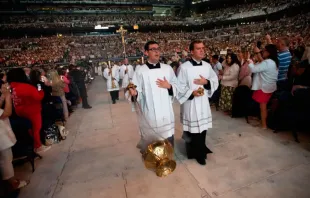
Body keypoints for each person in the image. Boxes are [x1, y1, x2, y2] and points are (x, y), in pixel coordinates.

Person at [128, 41, 178, 151]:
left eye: (158, 48)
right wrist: (134, 93)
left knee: (168, 140)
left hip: (166, 112)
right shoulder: (140, 71)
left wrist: (169, 86)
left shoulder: (167, 69)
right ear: (146, 52)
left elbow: (176, 85)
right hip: (150, 112)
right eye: (153, 49)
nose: (156, 51)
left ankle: (168, 159)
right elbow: (135, 90)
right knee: (153, 143)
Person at [177, 40, 219, 165]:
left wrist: (206, 82)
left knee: (203, 128)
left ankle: (202, 148)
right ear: (191, 51)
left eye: (203, 48)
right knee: (193, 129)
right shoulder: (184, 67)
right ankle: (196, 153)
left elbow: (214, 80)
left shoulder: (207, 65)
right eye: (198, 48)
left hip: (203, 102)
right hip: (191, 103)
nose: (202, 50)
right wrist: (191, 93)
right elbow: (179, 86)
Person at [0, 84, 29, 194]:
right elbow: (7, 113)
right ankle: (12, 184)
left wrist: (3, 96)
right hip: (1, 138)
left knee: (5, 160)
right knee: (5, 160)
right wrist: (7, 97)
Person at [248, 44, 279, 129]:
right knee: (263, 107)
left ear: (268, 52)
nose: (263, 52)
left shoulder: (267, 62)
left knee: (263, 108)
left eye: (264, 51)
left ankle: (264, 125)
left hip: (264, 88)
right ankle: (263, 122)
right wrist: (258, 53)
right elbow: (262, 63)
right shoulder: (273, 62)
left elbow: (254, 69)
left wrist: (250, 62)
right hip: (270, 87)